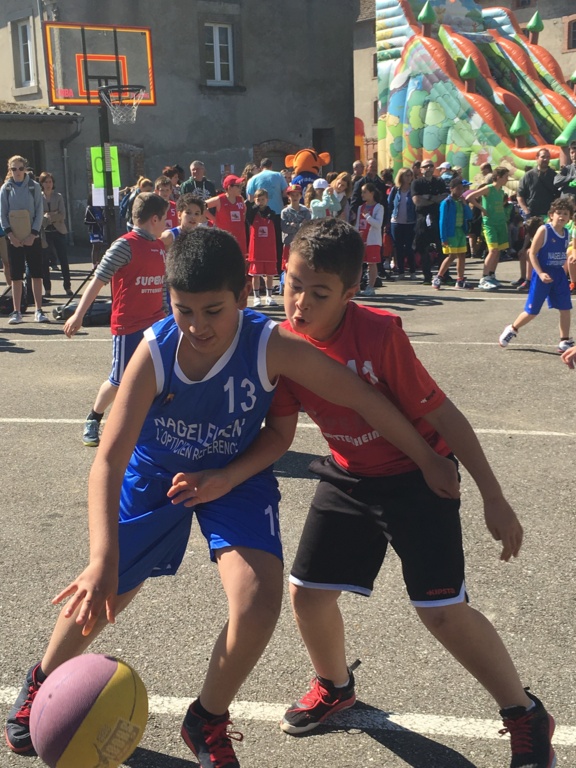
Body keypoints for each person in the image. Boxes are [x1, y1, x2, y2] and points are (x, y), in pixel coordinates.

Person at [4, 225, 459, 768]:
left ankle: (206, 719)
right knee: (103, 590)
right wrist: (101, 558)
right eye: (183, 310)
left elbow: (361, 400)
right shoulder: (154, 353)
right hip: (157, 475)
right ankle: (43, 678)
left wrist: (428, 457)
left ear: (244, 295)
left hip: (233, 476)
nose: (198, 325)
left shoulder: (271, 344)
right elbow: (108, 460)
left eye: (213, 310)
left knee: (259, 600)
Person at [265, 218, 554, 768]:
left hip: (418, 475)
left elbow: (442, 413)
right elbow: (277, 432)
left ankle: (525, 713)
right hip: (349, 474)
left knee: (442, 612)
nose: (299, 303)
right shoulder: (280, 344)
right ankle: (335, 686)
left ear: (350, 292)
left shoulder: (378, 335)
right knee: (308, 593)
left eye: (319, 293)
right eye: (293, 284)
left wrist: (493, 496)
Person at [64, 192, 168, 447]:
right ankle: (94, 417)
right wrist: (79, 314)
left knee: (158, 378)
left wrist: (170, 318)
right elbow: (98, 280)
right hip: (129, 326)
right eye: (165, 218)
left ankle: (148, 428)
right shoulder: (125, 245)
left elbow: (163, 287)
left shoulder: (159, 247)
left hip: (156, 324)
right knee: (119, 381)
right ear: (154, 219)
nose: (167, 223)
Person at [499, 198, 575, 353]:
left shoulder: (566, 233)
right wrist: (540, 273)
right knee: (532, 311)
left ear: (569, 217)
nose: (562, 216)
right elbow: (531, 253)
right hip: (542, 273)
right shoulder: (544, 230)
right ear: (551, 215)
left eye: (565, 214)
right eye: (559, 213)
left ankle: (564, 340)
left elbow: (564, 253)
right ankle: (512, 328)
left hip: (558, 275)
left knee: (565, 308)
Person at [0, 155, 48, 323]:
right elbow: (2, 214)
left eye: (20, 168)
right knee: (16, 276)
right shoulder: (6, 188)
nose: (17, 172)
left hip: (32, 236)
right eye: (14, 169)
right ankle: (16, 311)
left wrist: (33, 234)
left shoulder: (34, 186)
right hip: (13, 238)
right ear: (10, 170)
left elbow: (39, 212)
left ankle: (39, 310)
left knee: (36, 273)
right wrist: (11, 236)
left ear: (25, 169)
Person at [246, 159, 288, 272]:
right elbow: (285, 192)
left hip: (258, 215)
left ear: (260, 167)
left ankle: (259, 268)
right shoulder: (278, 175)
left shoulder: (253, 178)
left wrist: (254, 209)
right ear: (271, 166)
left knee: (259, 242)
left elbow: (250, 198)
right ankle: (277, 268)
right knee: (277, 241)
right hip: (276, 213)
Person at [411, 159, 448, 285]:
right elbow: (417, 201)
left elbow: (444, 197)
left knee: (442, 247)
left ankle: (443, 275)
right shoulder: (417, 183)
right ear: (421, 169)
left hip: (438, 217)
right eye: (426, 166)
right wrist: (435, 199)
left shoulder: (439, 181)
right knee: (423, 249)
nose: (428, 168)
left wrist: (429, 197)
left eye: (431, 166)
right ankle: (427, 276)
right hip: (422, 218)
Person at [473, 167, 511, 291]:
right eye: (505, 176)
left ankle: (491, 275)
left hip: (500, 223)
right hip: (490, 223)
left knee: (498, 251)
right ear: (498, 177)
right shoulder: (488, 188)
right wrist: (482, 209)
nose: (507, 179)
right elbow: (469, 197)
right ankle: (484, 278)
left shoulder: (501, 191)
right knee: (493, 250)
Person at [434, 178, 474, 289]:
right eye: (458, 189)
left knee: (462, 255)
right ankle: (438, 277)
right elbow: (442, 221)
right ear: (451, 189)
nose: (461, 191)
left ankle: (460, 280)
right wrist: (443, 238)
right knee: (452, 256)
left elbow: (469, 216)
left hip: (460, 232)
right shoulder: (446, 203)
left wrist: (465, 204)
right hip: (451, 233)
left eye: (462, 189)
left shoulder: (461, 202)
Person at [39, 172, 73, 297]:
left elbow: (62, 215)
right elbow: (38, 216)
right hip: (45, 233)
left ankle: (67, 287)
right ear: (42, 184)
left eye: (50, 182)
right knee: (45, 262)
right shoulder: (39, 197)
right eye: (46, 182)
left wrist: (48, 216)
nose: (48, 184)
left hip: (59, 231)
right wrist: (52, 214)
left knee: (63, 259)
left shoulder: (58, 197)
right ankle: (47, 289)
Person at [246, 189, 278, 307]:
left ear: (267, 200)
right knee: (256, 275)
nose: (260, 202)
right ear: (255, 200)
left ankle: (269, 296)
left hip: (269, 248)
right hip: (256, 249)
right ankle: (257, 297)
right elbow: (248, 217)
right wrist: (253, 207)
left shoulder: (272, 213)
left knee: (270, 275)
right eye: (258, 199)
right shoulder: (252, 213)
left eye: (263, 199)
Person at [204, 175, 247, 254]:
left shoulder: (240, 198)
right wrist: (214, 219)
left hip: (240, 238)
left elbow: (244, 212)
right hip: (225, 238)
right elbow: (202, 206)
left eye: (241, 186)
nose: (241, 188)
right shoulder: (220, 199)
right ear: (230, 187)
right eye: (238, 186)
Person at [355, 182, 384, 297]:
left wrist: (367, 216)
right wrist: (356, 234)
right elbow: (358, 223)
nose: (362, 194)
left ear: (371, 193)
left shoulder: (379, 207)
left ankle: (371, 287)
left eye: (364, 192)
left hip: (373, 240)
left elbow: (378, 224)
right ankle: (356, 286)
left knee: (372, 263)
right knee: (358, 264)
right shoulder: (360, 208)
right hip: (361, 240)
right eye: (361, 192)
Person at [280, 183, 311, 290]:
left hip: (302, 243)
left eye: (297, 195)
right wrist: (299, 225)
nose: (295, 197)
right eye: (292, 195)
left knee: (302, 266)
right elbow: (285, 228)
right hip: (289, 243)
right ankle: (286, 287)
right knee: (287, 266)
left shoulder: (306, 211)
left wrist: (294, 225)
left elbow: (306, 227)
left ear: (301, 196)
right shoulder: (285, 212)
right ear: (288, 196)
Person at [388, 167, 416, 278]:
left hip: (410, 222)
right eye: (406, 175)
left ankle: (412, 271)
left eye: (410, 175)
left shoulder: (413, 190)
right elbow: (389, 204)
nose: (409, 178)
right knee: (398, 247)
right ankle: (401, 271)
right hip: (396, 222)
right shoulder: (395, 190)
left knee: (409, 247)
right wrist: (387, 221)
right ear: (401, 177)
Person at [517, 148, 559, 218]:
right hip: (532, 214)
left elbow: (558, 196)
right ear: (537, 158)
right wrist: (526, 210)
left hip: (549, 215)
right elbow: (520, 195)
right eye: (543, 157)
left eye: (548, 157)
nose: (545, 159)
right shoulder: (528, 176)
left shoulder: (554, 176)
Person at [350, 158, 388, 225]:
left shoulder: (381, 183)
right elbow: (354, 202)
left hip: (377, 217)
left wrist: (385, 220)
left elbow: (384, 202)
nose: (374, 168)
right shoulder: (360, 183)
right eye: (372, 166)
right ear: (367, 168)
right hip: (363, 218)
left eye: (376, 166)